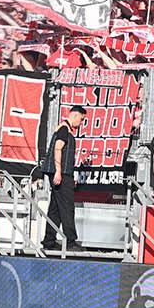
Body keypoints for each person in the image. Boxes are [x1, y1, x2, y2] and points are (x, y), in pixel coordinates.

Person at [42, 104, 84, 254]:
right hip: (60, 173)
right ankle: (71, 241)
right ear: (74, 115)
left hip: (64, 173)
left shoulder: (64, 130)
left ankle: (49, 240)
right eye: (81, 119)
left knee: (55, 208)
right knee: (67, 206)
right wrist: (59, 172)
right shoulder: (64, 129)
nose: (81, 123)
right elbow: (57, 148)